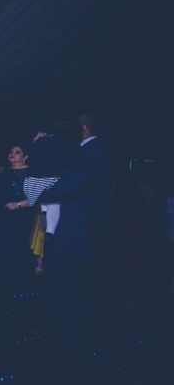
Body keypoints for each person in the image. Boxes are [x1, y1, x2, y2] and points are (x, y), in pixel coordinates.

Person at [40, 114, 112, 350]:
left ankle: (69, 335)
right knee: (65, 277)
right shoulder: (85, 150)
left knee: (70, 280)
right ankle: (62, 325)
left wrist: (40, 191)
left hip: (79, 225)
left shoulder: (93, 152)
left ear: (83, 127)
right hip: (74, 223)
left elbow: (73, 183)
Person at [0, 145, 35, 286]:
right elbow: (1, 189)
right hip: (4, 211)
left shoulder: (31, 173)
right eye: (11, 152)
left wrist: (17, 205)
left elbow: (34, 198)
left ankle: (16, 274)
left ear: (25, 157)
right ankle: (2, 271)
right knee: (3, 238)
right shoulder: (6, 171)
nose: (13, 154)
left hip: (21, 213)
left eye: (17, 152)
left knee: (18, 241)